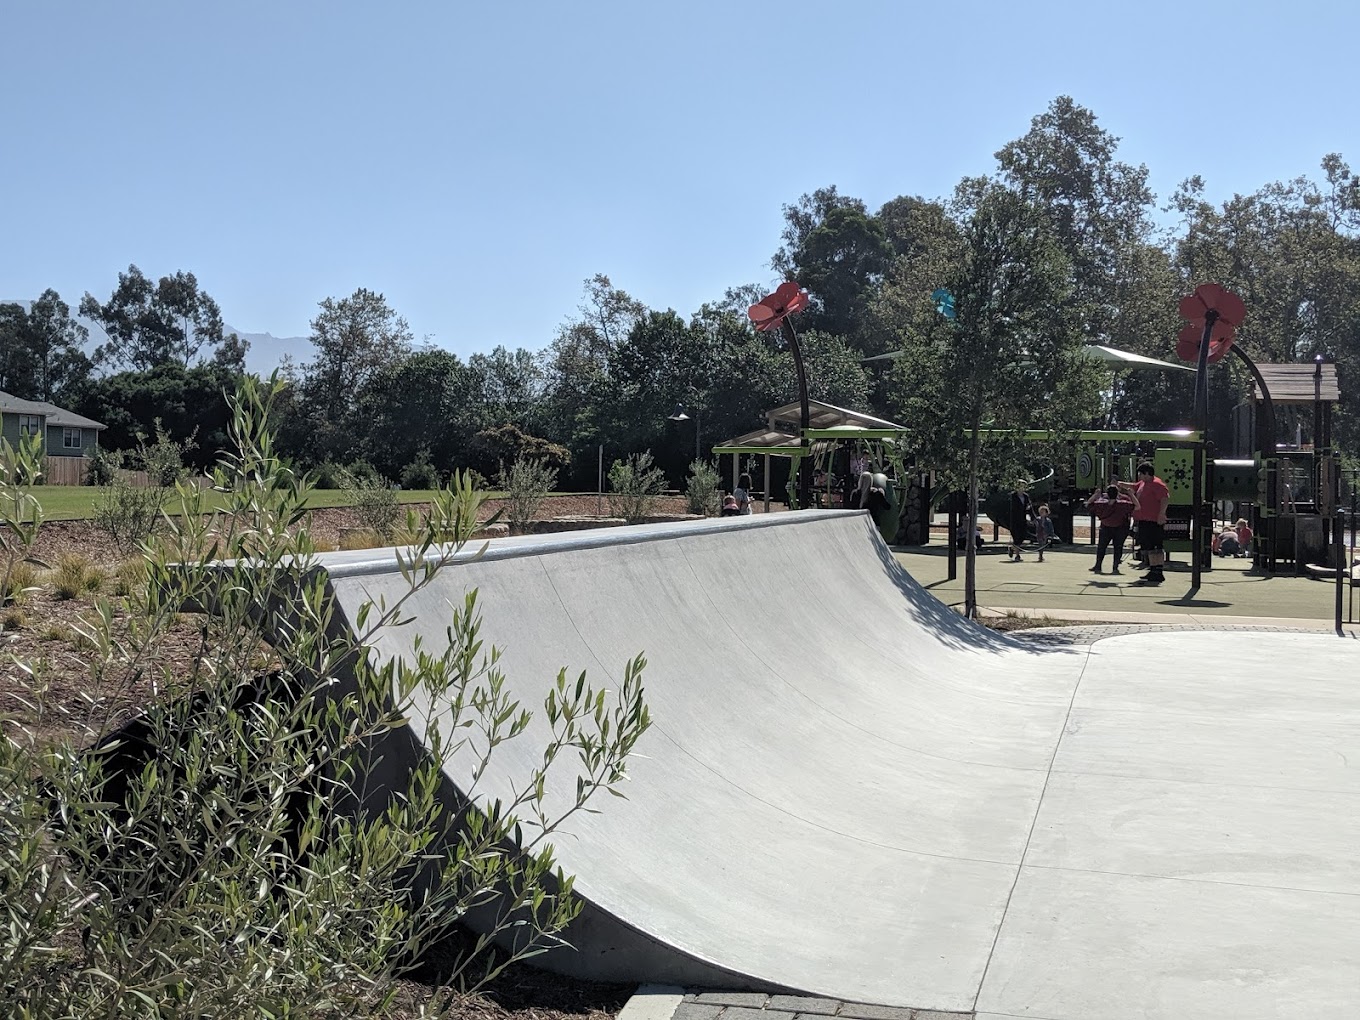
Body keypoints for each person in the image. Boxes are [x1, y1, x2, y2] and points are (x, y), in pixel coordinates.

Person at [1119, 461, 1170, 585]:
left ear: (1147, 474)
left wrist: (1161, 513)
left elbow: (1165, 498)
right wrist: (1121, 484)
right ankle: (1153, 570)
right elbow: (1134, 486)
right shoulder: (1143, 483)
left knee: (1156, 546)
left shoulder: (1157, 485)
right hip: (1144, 520)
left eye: (1141, 474)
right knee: (1148, 546)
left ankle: (1158, 571)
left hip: (1153, 520)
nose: (1139, 476)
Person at [1086, 484, 1138, 574]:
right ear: (1117, 494)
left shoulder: (1101, 504)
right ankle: (1115, 567)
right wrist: (1131, 494)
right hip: (1120, 528)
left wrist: (1095, 495)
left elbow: (1088, 504)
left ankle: (1098, 565)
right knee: (1118, 547)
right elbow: (1137, 506)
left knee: (1101, 547)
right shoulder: (1123, 504)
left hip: (1105, 527)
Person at [1006, 480, 1035, 561]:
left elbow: (1030, 508)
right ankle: (1017, 556)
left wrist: (1033, 518)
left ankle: (1012, 548)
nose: (1022, 488)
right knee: (1016, 538)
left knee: (1022, 537)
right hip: (1014, 520)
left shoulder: (1026, 496)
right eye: (1020, 486)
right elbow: (1013, 508)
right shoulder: (1012, 496)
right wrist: (1023, 508)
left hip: (1022, 520)